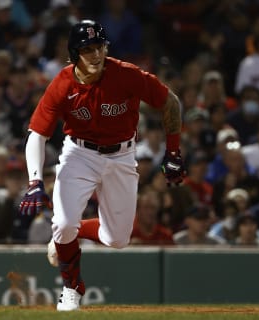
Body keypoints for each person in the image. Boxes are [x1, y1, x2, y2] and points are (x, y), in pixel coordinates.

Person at [18, 20, 184, 311]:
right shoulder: (62, 83)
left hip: (122, 155)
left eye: (100, 47)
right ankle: (72, 288)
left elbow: (169, 102)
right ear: (74, 52)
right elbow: (37, 135)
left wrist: (173, 152)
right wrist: (34, 181)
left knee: (118, 238)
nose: (96, 55)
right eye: (87, 49)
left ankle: (72, 232)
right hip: (79, 154)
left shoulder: (126, 74)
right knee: (62, 223)